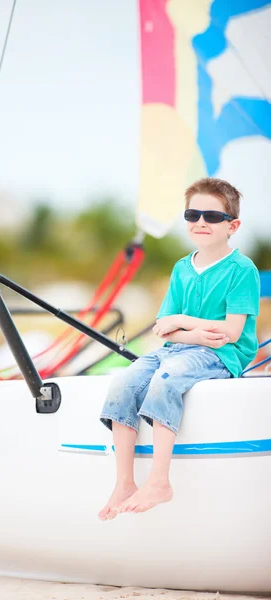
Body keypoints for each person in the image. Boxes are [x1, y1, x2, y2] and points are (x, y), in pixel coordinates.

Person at [98, 177, 260, 521]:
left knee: (165, 379)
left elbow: (231, 332)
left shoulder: (242, 270)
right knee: (122, 384)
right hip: (184, 347)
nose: (201, 222)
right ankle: (125, 482)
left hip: (224, 355)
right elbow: (162, 327)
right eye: (193, 214)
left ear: (233, 225)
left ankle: (159, 482)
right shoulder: (181, 268)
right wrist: (196, 333)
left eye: (213, 216)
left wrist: (184, 321)